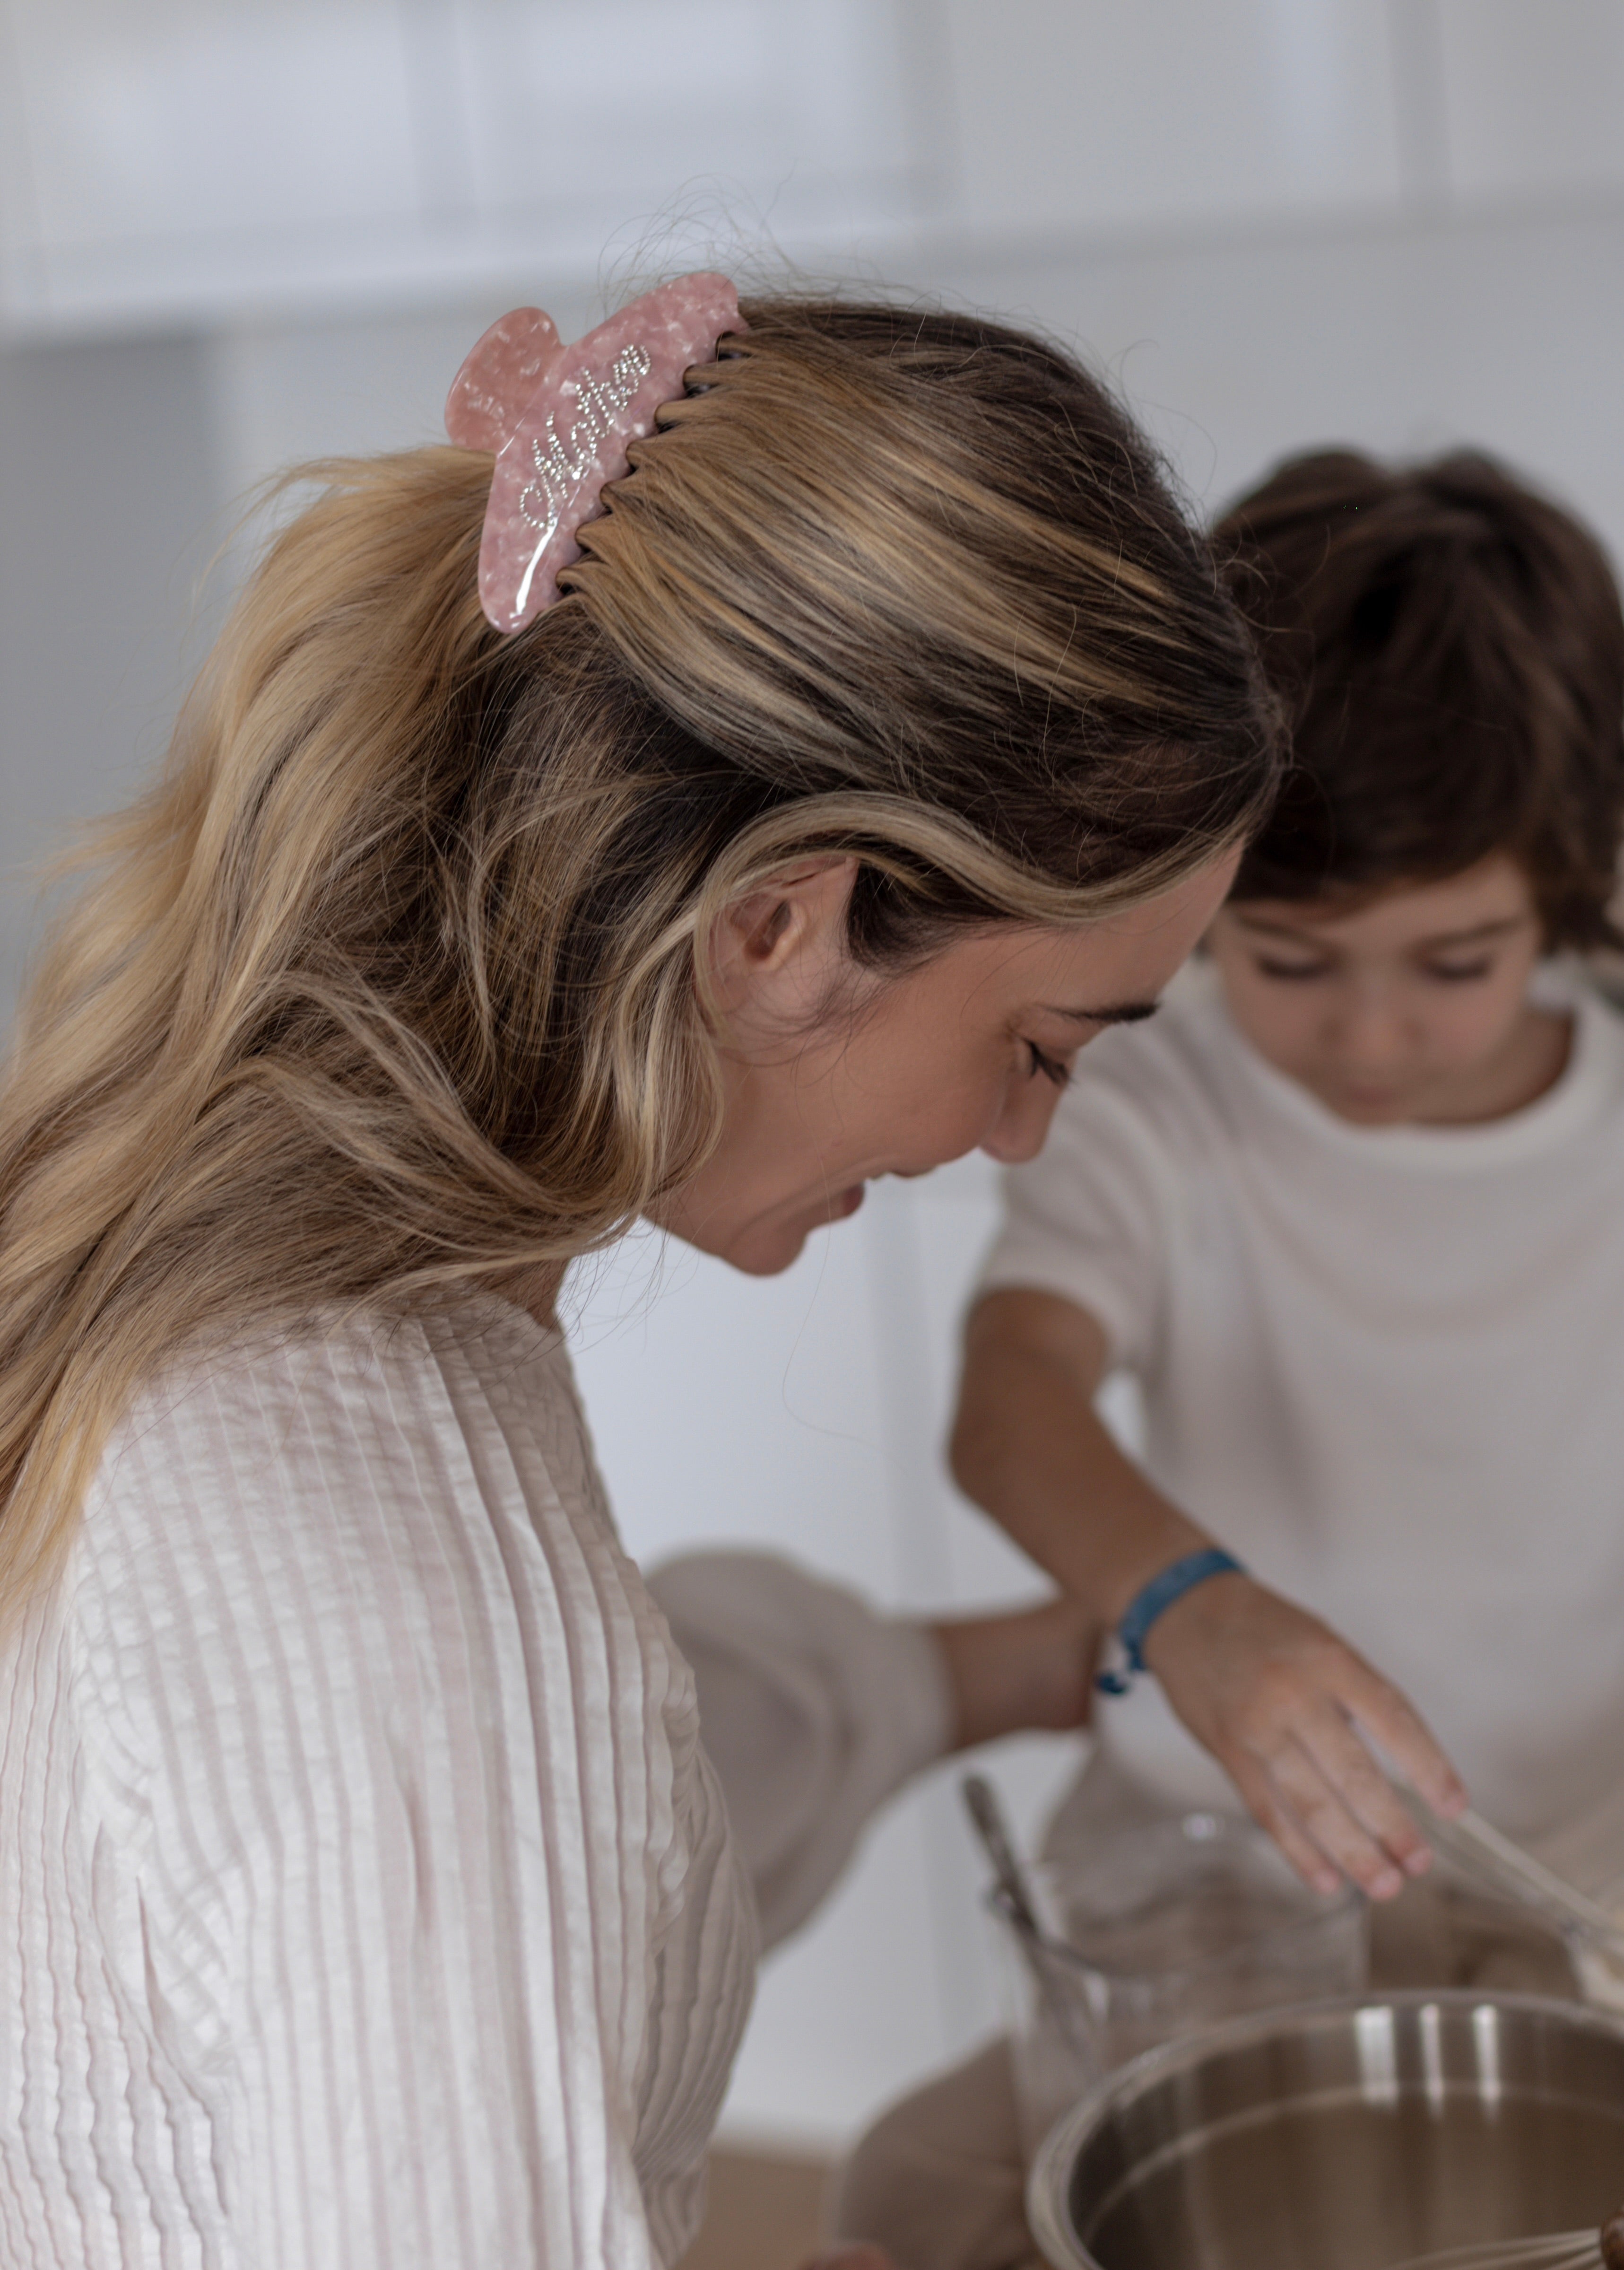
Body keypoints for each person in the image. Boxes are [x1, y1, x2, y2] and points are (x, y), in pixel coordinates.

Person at [0, 277, 1285, 2269]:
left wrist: (1051, 1664)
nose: (1024, 1142)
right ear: (787, 926)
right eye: (1040, 1048)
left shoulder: (267, 1311)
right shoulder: (413, 1565)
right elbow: (494, 1754)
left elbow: (524, 1855)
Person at [833, 449, 1624, 2270]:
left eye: (1456, 961)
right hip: (1206, 1892)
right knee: (921, 2204)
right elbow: (1011, 1405)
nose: (1372, 1033)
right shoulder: (1159, 1109)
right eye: (1288, 959)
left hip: (1568, 1908)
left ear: (1575, 884)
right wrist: (1189, 1607)